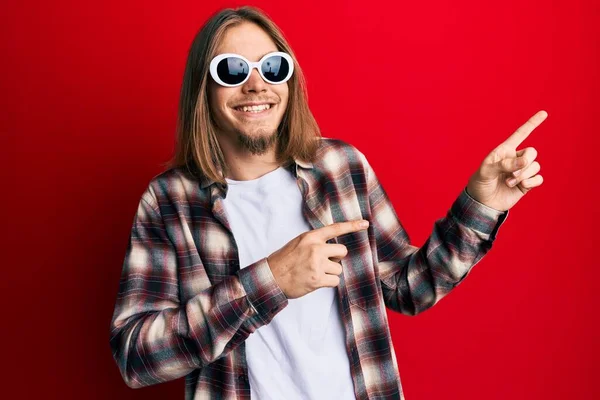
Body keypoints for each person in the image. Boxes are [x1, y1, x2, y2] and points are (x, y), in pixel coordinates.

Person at [109, 6, 546, 400]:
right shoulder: (169, 202)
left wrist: (481, 203)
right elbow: (136, 357)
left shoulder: (341, 168)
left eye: (273, 67)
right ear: (203, 86)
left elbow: (410, 288)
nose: (256, 85)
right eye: (233, 70)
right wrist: (271, 281)